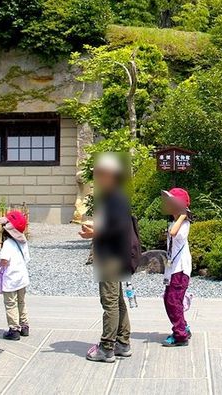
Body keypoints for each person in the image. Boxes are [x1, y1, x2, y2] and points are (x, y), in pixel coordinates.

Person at [80, 153, 134, 362]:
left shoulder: (115, 198)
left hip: (111, 255)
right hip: (114, 253)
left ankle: (107, 347)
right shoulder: (114, 197)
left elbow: (119, 228)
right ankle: (122, 342)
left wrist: (95, 233)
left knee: (110, 302)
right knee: (117, 300)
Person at [161, 188, 192, 347]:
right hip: (173, 269)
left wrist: (182, 214)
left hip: (180, 269)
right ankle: (183, 327)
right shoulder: (175, 222)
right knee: (171, 300)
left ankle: (180, 335)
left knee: (173, 301)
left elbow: (173, 233)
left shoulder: (183, 223)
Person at [0, 209, 30, 341]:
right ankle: (25, 326)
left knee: (11, 303)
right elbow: (27, 258)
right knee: (21, 302)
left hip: (10, 279)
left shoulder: (7, 244)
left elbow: (4, 260)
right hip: (22, 277)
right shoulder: (23, 241)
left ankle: (14, 329)